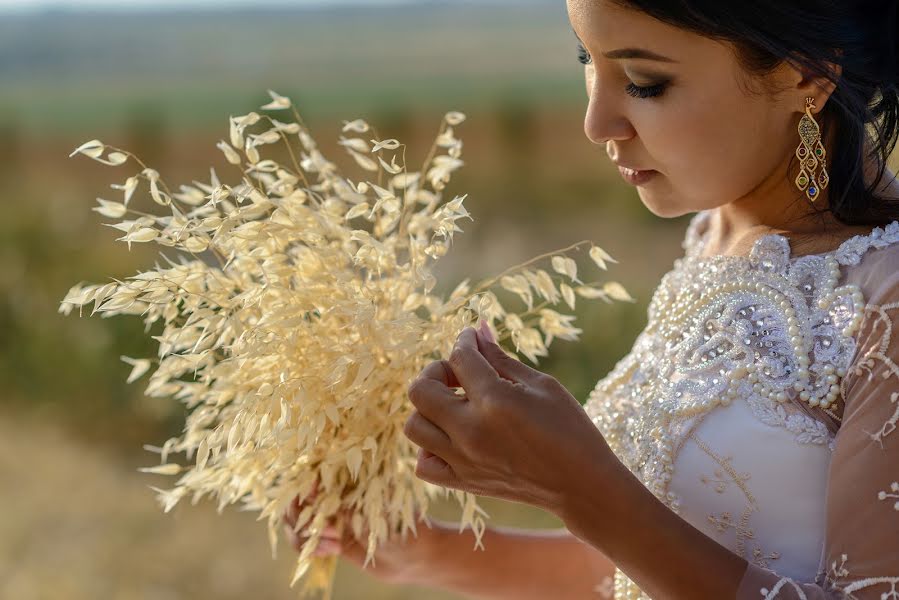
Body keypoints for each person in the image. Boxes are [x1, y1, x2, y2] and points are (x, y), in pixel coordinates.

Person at [284, 1, 899, 597]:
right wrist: (428, 553)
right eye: (587, 58)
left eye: (644, 82)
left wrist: (580, 490)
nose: (595, 123)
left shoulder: (887, 298)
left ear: (807, 73)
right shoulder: (716, 235)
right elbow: (650, 566)